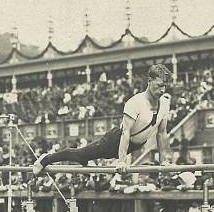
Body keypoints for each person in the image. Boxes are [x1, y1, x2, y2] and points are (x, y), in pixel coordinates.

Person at [32, 64, 173, 175]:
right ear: (149, 81)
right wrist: (122, 161)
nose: (162, 90)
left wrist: (163, 161)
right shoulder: (135, 102)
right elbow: (126, 133)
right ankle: (46, 159)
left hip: (134, 145)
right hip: (115, 141)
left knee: (84, 156)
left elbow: (161, 134)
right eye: (160, 85)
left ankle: (84, 159)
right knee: (80, 154)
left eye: (165, 86)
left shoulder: (165, 104)